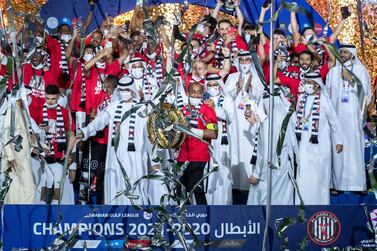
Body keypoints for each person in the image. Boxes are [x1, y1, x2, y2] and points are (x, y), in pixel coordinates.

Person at [328, 44, 371, 193]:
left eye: (346, 52)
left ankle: (357, 185)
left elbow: (367, 97)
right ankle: (338, 185)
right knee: (337, 151)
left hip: (354, 119)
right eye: (341, 52)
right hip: (337, 118)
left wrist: (352, 80)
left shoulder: (360, 71)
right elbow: (327, 97)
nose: (343, 54)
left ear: (352, 54)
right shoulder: (332, 73)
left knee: (354, 151)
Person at [295, 72, 343, 205]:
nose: (307, 85)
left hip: (320, 146)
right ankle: (301, 205)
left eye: (309, 83)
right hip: (303, 145)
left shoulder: (325, 100)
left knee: (319, 178)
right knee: (303, 176)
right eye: (306, 82)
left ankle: (320, 206)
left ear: (317, 85)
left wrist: (339, 141)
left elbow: (334, 122)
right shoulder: (301, 99)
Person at [247, 86, 297, 205]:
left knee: (265, 202)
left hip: (269, 170)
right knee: (283, 201)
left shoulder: (267, 125)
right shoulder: (288, 116)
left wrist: (256, 174)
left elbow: (264, 152)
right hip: (285, 166)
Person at [225, 51, 265, 196]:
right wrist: (237, 87)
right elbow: (225, 97)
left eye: (248, 60)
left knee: (249, 149)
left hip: (250, 122)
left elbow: (261, 96)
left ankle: (249, 183)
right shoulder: (232, 77)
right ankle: (235, 183)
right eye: (242, 61)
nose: (244, 64)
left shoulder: (258, 78)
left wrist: (249, 88)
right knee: (235, 149)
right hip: (235, 121)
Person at [176, 82, 218, 205]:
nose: (196, 95)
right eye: (193, 92)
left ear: (203, 94)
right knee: (180, 193)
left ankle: (204, 221)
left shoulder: (208, 111)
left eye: (199, 92)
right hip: (182, 156)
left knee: (197, 192)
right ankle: (185, 221)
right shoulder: (181, 111)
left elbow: (213, 134)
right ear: (188, 93)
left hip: (199, 157)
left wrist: (191, 130)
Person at [34, 85, 76, 204]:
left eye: (53, 99)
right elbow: (31, 133)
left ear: (58, 96)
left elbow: (71, 135)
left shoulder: (64, 112)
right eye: (48, 98)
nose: (50, 101)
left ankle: (55, 216)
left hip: (59, 157)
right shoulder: (38, 111)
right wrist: (41, 131)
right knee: (43, 189)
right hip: (43, 157)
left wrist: (70, 156)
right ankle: (41, 215)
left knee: (58, 190)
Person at [1, 86, 36, 204]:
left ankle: (22, 217)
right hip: (15, 158)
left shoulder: (23, 111)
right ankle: (19, 217)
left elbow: (21, 134)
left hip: (23, 155)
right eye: (27, 96)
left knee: (22, 190)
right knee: (24, 189)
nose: (29, 98)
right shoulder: (11, 111)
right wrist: (10, 157)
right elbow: (5, 136)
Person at [204, 74, 234, 205]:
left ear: (219, 86)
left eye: (215, 85)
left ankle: (224, 205)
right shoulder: (202, 100)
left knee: (223, 172)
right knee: (208, 172)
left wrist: (214, 108)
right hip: (207, 141)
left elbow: (229, 117)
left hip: (222, 142)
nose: (212, 88)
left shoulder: (227, 99)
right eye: (209, 85)